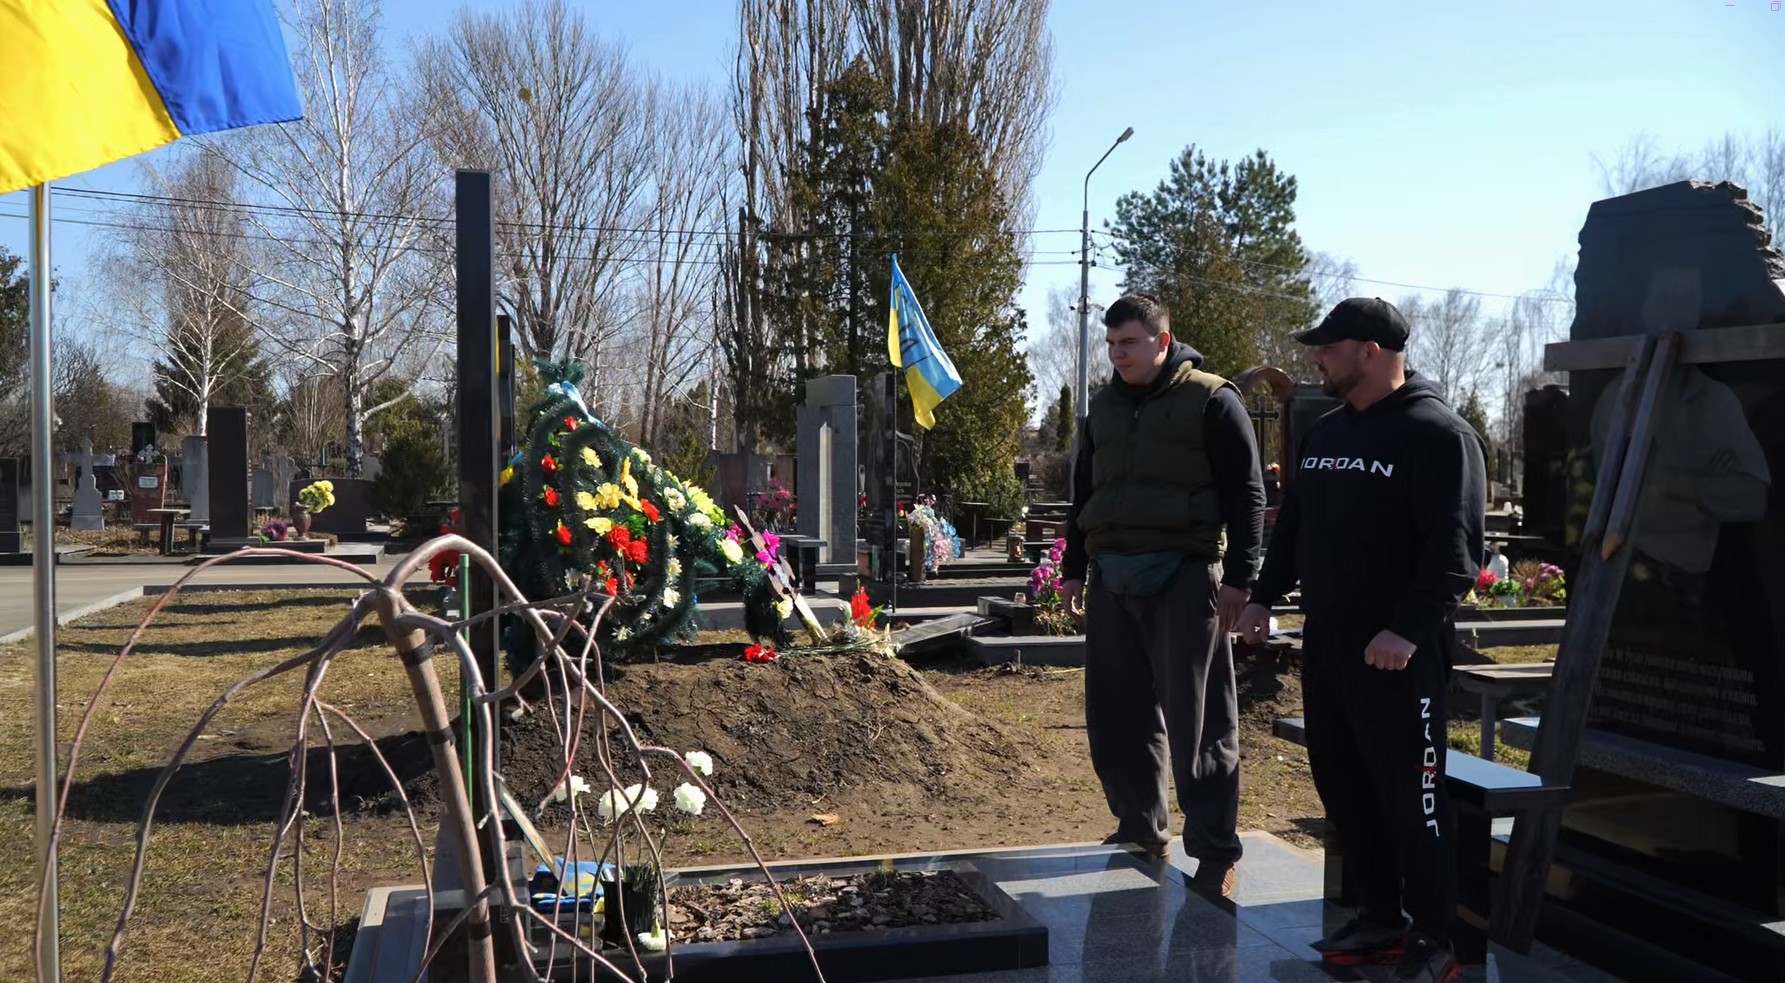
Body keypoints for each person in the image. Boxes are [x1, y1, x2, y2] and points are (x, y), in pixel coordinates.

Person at [1237, 297, 1486, 983]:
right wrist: (1262, 596)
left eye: (1327, 346)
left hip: (1400, 655)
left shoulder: (1439, 435)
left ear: (1369, 350)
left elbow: (1456, 550)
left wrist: (1404, 629)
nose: (1315, 358)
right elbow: (1292, 530)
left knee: (1415, 797)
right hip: (1329, 648)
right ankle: (1379, 914)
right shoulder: (1325, 433)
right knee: (1346, 788)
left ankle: (1436, 938)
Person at [1059, 293, 1266, 898]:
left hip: (1184, 576)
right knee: (1118, 717)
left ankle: (1216, 851)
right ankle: (1140, 826)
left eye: (1129, 343)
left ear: (1163, 341)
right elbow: (1084, 495)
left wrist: (1240, 581)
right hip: (1112, 578)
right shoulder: (1101, 407)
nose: (1117, 354)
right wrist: (1073, 567)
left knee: (1199, 722)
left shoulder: (1212, 400)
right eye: (1111, 344)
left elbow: (1247, 496)